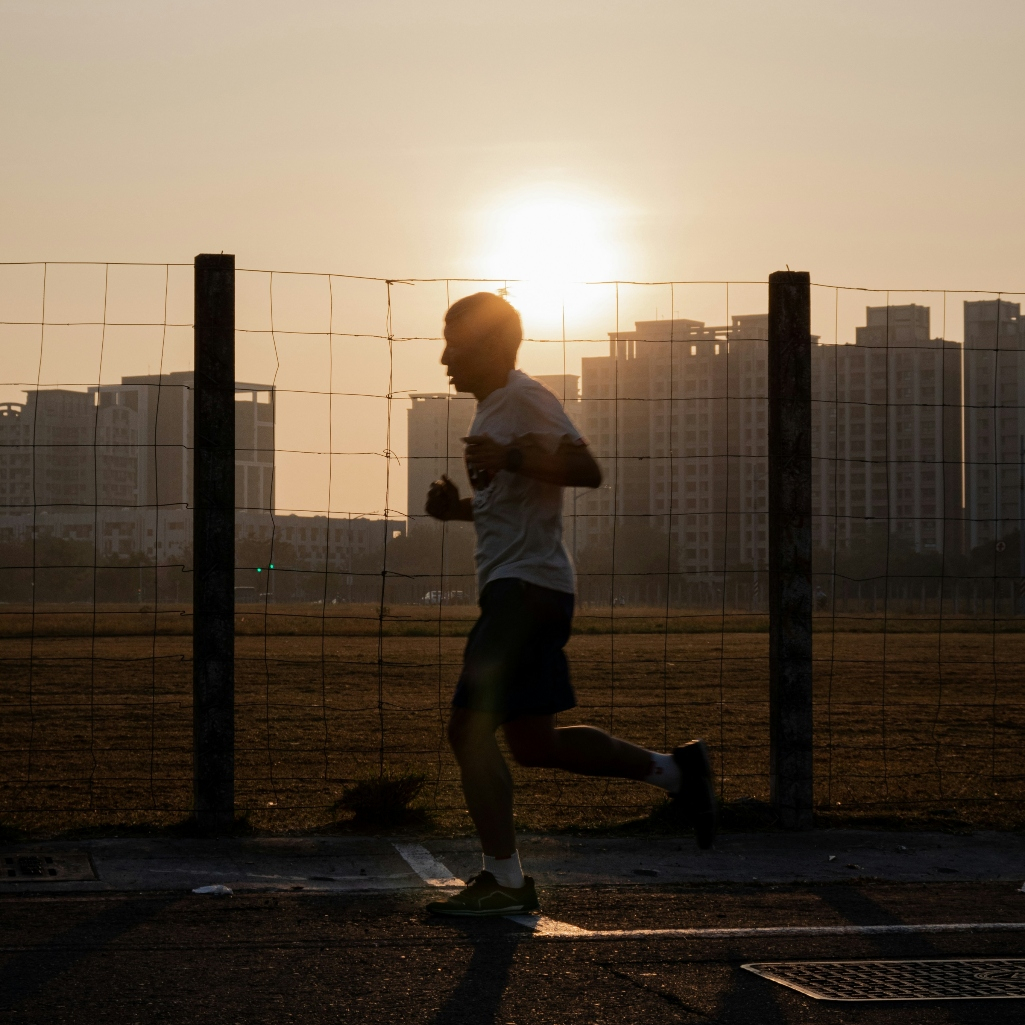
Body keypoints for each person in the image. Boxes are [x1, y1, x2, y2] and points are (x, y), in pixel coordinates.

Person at [424, 292, 717, 917]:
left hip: (525, 592)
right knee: (534, 745)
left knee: (468, 729)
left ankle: (504, 880)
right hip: (526, 590)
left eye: (455, 343)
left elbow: (586, 469)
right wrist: (459, 511)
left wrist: (510, 454)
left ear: (493, 348)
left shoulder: (523, 398)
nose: (444, 356)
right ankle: (677, 774)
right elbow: (514, 500)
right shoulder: (491, 411)